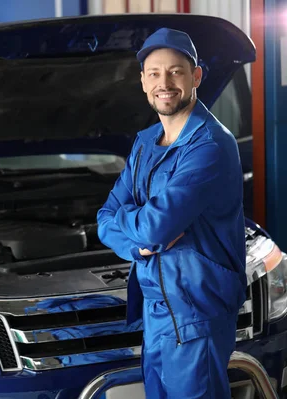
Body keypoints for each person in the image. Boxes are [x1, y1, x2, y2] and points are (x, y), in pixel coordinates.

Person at [96, 28, 247, 398]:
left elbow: (153, 227)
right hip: (156, 309)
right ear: (143, 81)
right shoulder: (145, 142)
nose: (165, 82)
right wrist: (138, 245)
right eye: (154, 73)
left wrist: (136, 231)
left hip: (195, 310)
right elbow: (104, 217)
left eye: (176, 71)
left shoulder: (209, 145)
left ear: (196, 76)